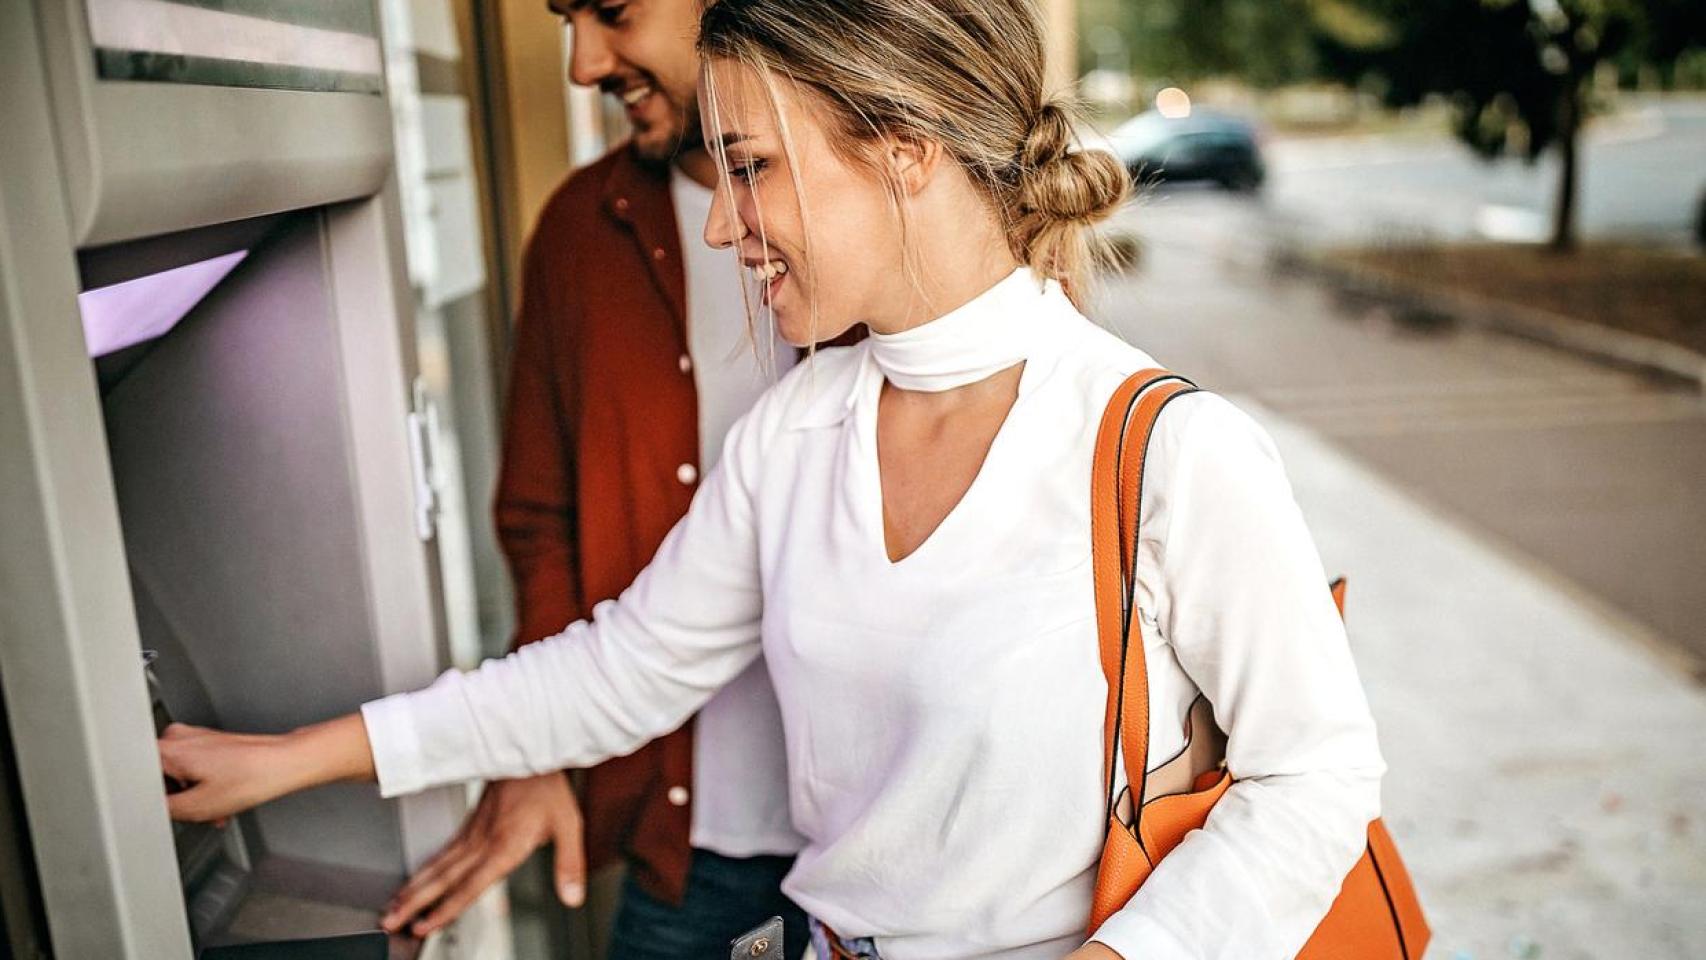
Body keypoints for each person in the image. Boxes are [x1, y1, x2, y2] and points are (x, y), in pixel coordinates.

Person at [158, 1, 1387, 957]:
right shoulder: (793, 436)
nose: (717, 221)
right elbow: (618, 673)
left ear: (902, 150)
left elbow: (1315, 777)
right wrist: (295, 760)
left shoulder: (1166, 447)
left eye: (747, 166)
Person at [374, 0, 810, 956]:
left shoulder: (914, 242)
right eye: (567, 19)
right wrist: (534, 753)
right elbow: (541, 525)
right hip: (687, 856)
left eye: (612, 11)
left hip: (886, 857)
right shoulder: (579, 231)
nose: (581, 65)